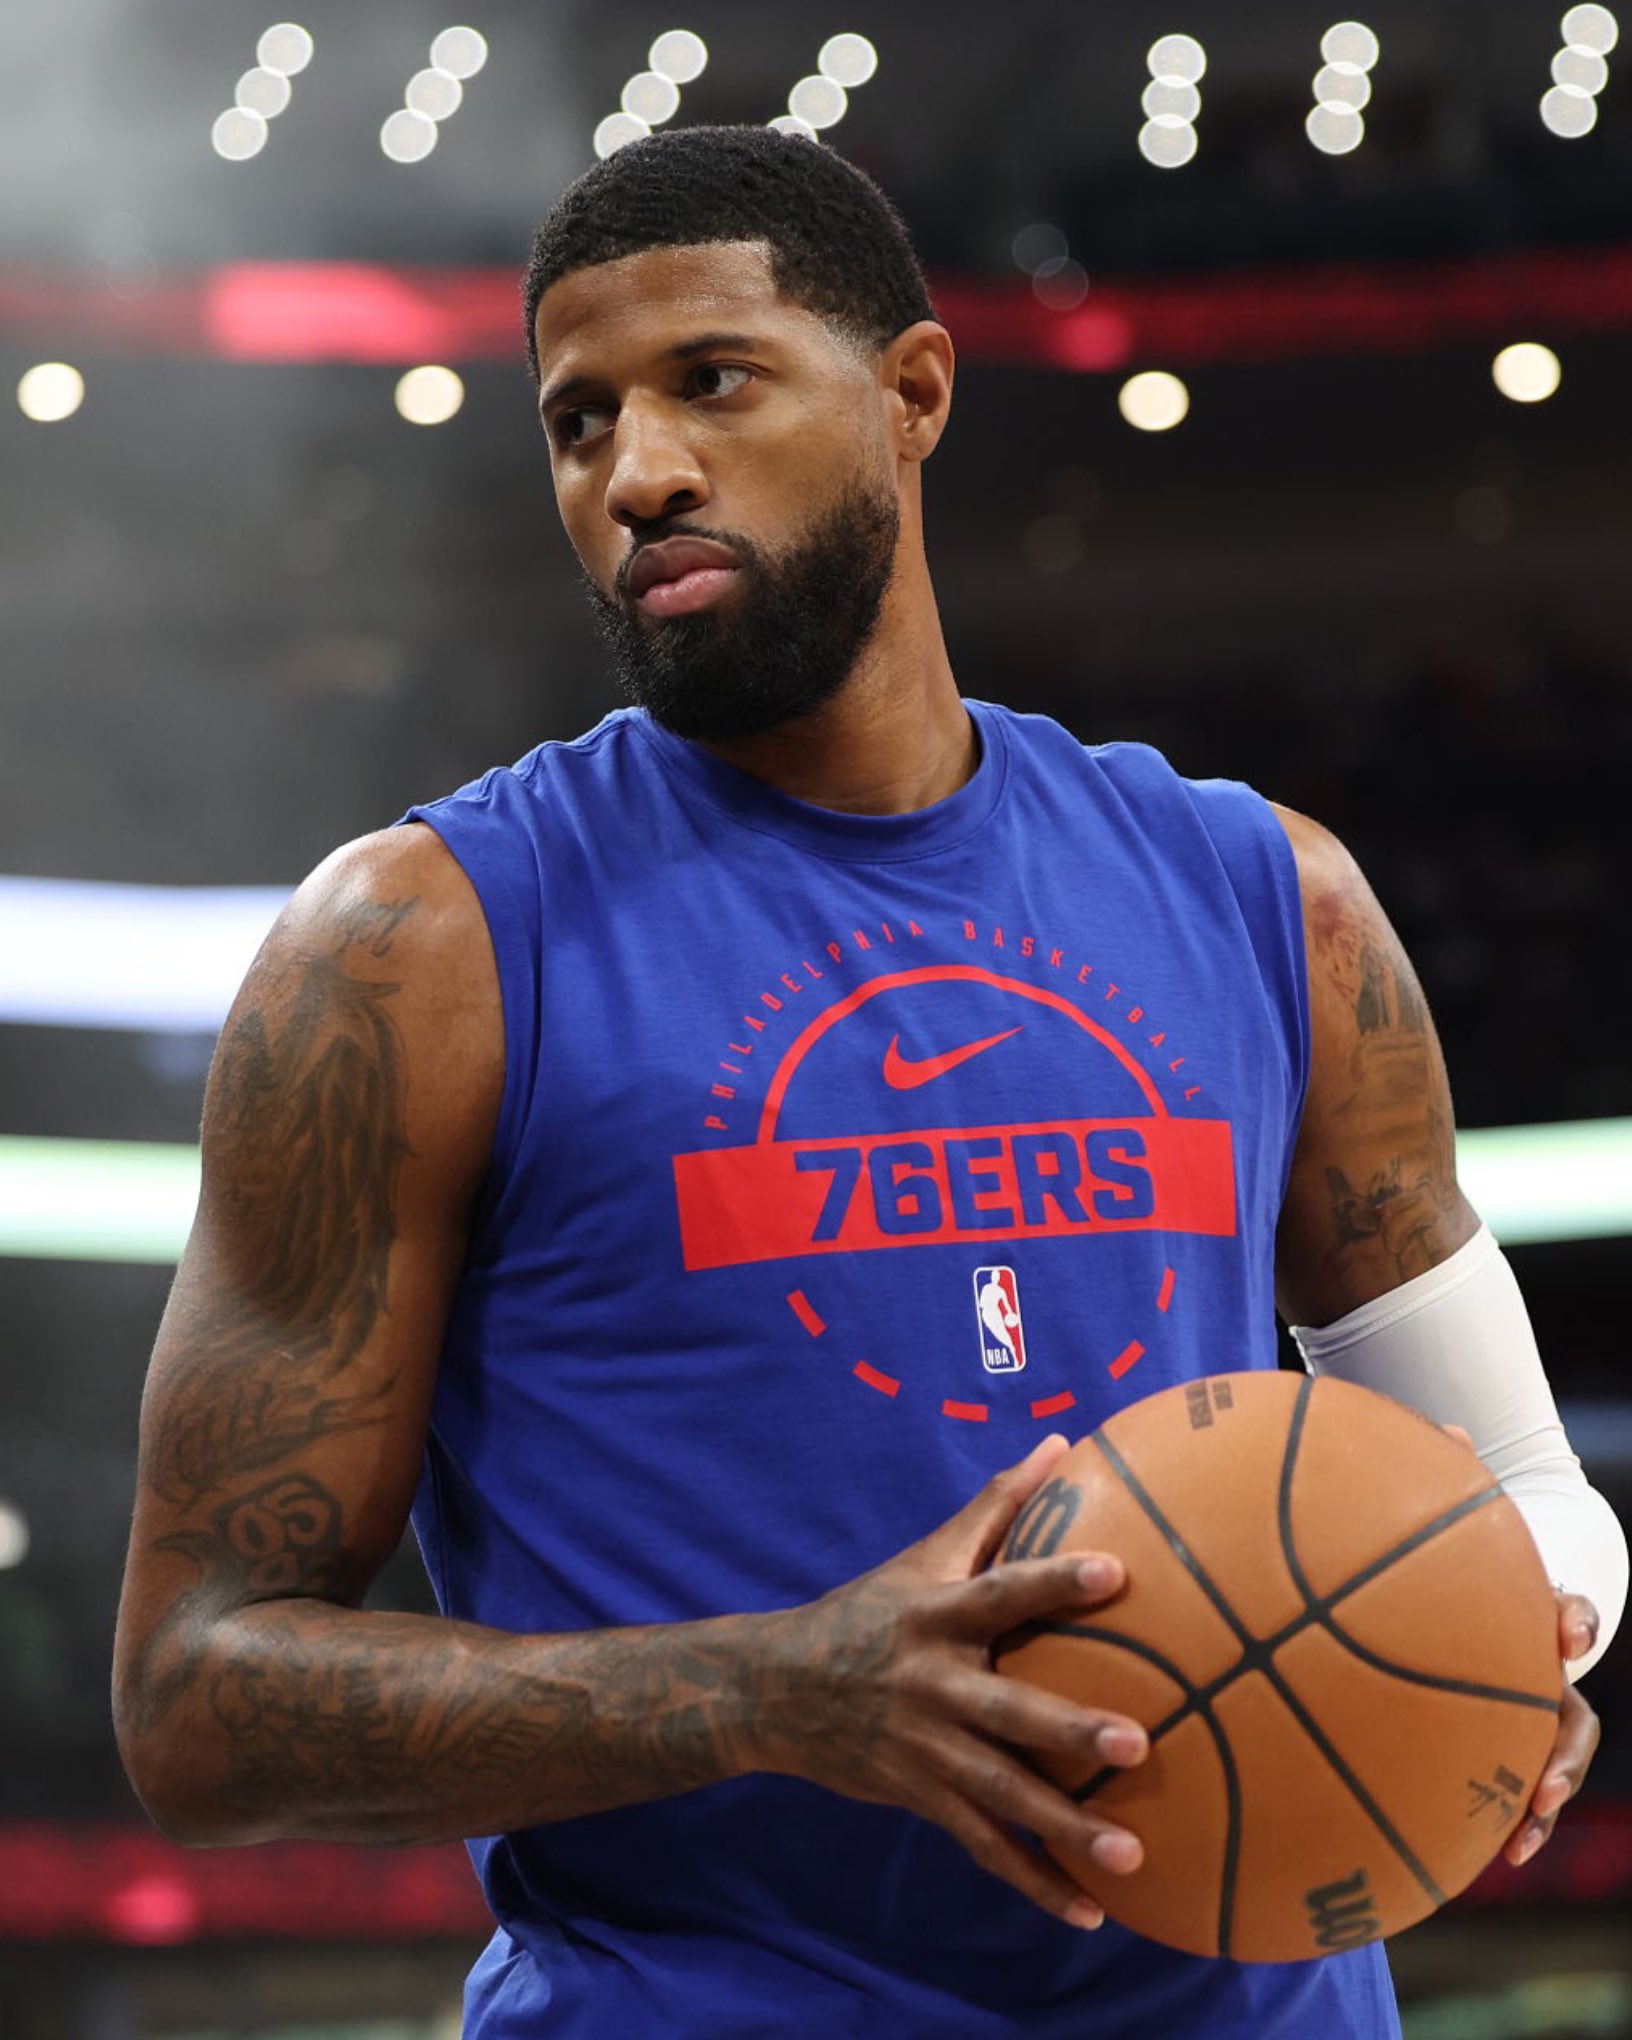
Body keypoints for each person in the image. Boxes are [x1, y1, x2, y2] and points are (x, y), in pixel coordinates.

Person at [113, 126, 1625, 2038]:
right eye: (579, 422)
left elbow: (1522, 1487)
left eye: (712, 380)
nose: (638, 474)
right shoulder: (415, 954)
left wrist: (1494, 1635)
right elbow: (196, 1701)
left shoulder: (1272, 896)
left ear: (913, 393)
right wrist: (773, 1693)